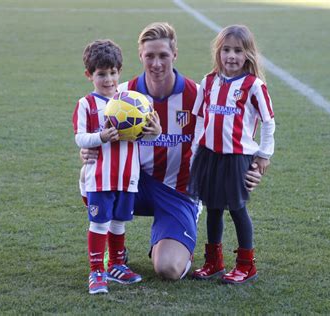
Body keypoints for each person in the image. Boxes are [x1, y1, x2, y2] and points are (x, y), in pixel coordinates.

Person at [80, 23, 263, 281]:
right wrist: (88, 152)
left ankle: (174, 236)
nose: (156, 63)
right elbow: (96, 135)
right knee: (89, 179)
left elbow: (235, 131)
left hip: (178, 191)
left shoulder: (197, 95)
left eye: (163, 55)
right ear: (140, 56)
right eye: (150, 56)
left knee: (169, 269)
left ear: (174, 55)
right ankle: (116, 251)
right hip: (135, 184)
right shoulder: (122, 96)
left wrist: (252, 167)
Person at [72, 39, 161, 294]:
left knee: (120, 221)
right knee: (99, 223)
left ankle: (117, 265)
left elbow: (146, 136)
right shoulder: (86, 104)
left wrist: (156, 132)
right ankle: (96, 270)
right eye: (101, 74)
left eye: (113, 73)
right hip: (99, 177)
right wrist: (100, 137)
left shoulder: (133, 101)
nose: (108, 79)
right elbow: (80, 137)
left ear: (119, 72)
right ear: (89, 75)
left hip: (127, 176)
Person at [189, 25, 275, 284]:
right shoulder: (209, 81)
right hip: (209, 154)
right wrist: (195, 151)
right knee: (213, 208)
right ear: (218, 52)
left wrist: (263, 155)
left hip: (237, 157)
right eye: (226, 50)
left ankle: (246, 265)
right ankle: (214, 261)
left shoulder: (253, 85)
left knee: (237, 209)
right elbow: (200, 119)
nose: (231, 56)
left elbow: (268, 122)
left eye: (238, 50)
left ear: (248, 54)